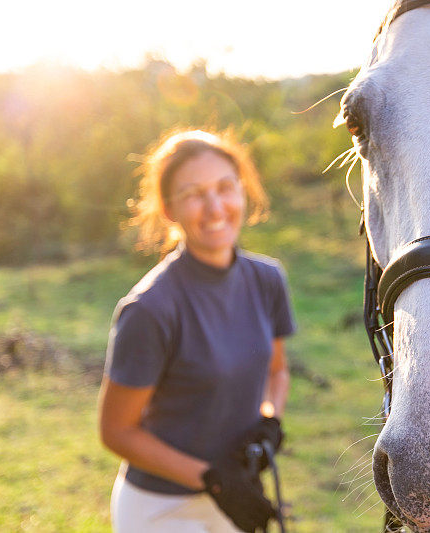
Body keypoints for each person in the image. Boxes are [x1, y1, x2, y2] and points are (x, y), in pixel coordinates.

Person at [98, 129, 296, 533]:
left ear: (243, 192)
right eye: (193, 194)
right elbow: (116, 431)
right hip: (160, 509)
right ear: (169, 209)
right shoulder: (149, 309)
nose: (214, 207)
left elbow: (276, 371)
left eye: (225, 187)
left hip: (239, 495)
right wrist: (213, 480)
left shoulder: (268, 279)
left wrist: (270, 419)